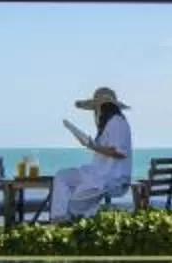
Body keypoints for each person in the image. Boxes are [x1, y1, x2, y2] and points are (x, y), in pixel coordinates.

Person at [53, 86, 135, 220]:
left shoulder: (117, 122)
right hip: (97, 172)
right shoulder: (107, 125)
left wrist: (93, 146)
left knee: (72, 204)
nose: (95, 113)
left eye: (96, 109)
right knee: (62, 177)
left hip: (112, 177)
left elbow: (120, 152)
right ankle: (58, 219)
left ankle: (66, 220)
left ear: (104, 108)